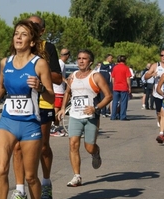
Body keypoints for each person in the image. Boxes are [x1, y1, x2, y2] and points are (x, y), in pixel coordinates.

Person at [0, 19, 54, 199]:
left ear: (32, 41)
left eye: (23, 34)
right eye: (16, 34)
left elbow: (51, 97)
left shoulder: (39, 64)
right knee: (1, 168)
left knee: (31, 176)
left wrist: (41, 87)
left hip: (30, 124)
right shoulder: (6, 62)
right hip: (7, 121)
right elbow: (2, 85)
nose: (18, 37)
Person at [8, 14, 62, 199]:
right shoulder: (17, 48)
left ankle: (46, 183)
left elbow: (57, 78)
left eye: (34, 26)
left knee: (43, 147)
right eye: (26, 25)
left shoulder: (48, 48)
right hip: (21, 103)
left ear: (41, 31)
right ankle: (20, 191)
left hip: (42, 102)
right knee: (17, 148)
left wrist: (40, 76)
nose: (29, 28)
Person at [57, 49, 112, 187]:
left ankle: (96, 152)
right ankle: (77, 176)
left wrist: (96, 108)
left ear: (90, 62)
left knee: (89, 147)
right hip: (75, 115)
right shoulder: (73, 76)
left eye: (84, 58)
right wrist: (63, 108)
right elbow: (67, 92)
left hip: (91, 116)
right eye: (79, 58)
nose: (81, 61)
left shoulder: (96, 76)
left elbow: (108, 96)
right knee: (73, 144)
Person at [144, 49, 164, 143]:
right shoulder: (156, 66)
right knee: (159, 114)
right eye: (162, 55)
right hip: (157, 94)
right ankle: (162, 130)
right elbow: (145, 76)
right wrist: (152, 74)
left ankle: (162, 132)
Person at [50, 48, 70, 137]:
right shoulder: (61, 64)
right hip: (58, 90)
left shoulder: (59, 63)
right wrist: (67, 82)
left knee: (57, 109)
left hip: (57, 89)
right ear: (67, 56)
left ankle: (55, 127)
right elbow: (59, 76)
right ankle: (54, 128)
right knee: (57, 110)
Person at [110, 55, 132, 121]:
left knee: (115, 102)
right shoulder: (126, 68)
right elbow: (128, 78)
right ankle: (122, 116)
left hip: (116, 87)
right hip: (123, 87)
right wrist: (129, 87)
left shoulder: (115, 68)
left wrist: (114, 85)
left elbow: (113, 77)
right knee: (123, 102)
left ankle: (113, 116)